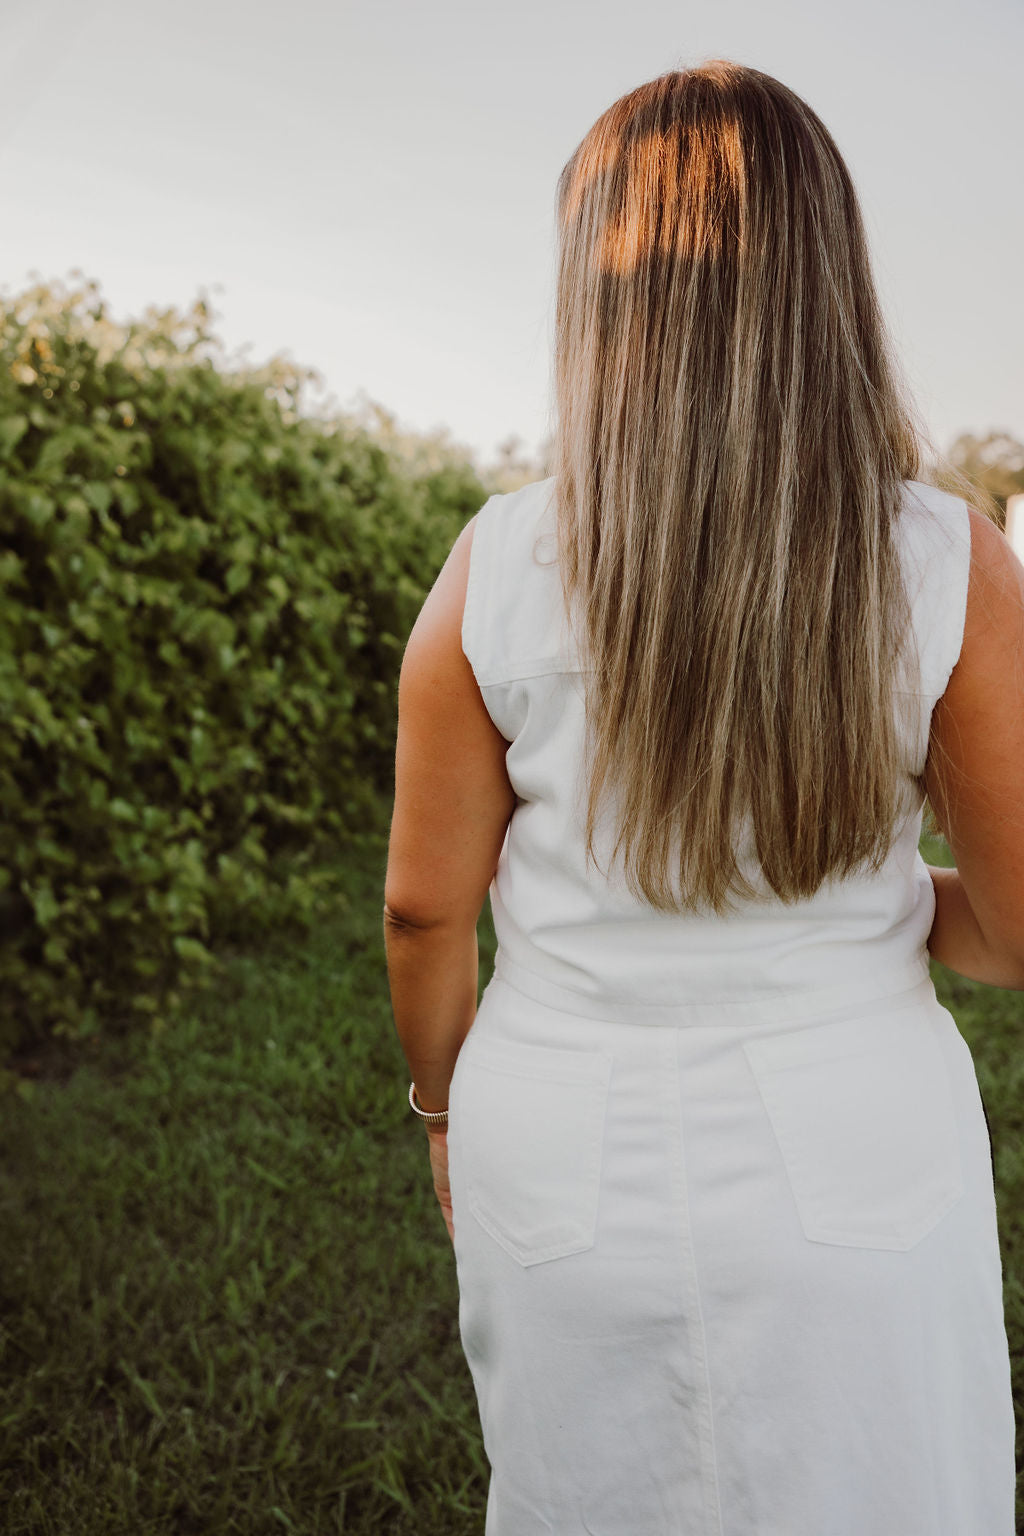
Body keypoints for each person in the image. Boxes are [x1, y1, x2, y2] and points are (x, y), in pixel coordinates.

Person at [382, 59, 1022, 1535]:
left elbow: (427, 905)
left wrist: (439, 1108)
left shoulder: (492, 567)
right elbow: (1018, 922)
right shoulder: (945, 564)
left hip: (556, 1152)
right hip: (855, 1151)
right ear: (825, 279)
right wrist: (883, 907)